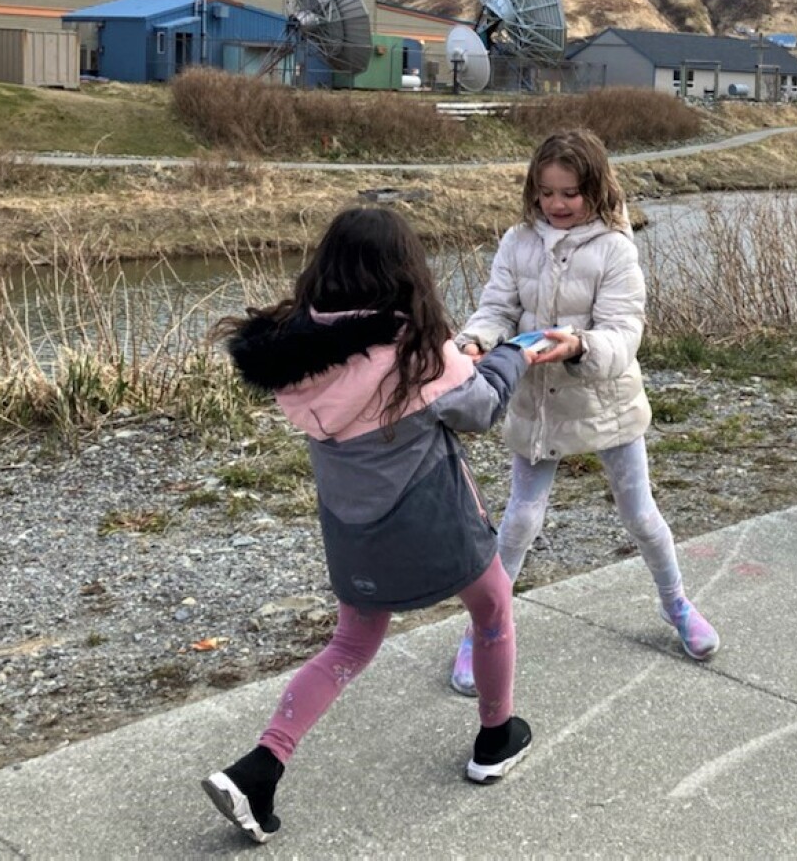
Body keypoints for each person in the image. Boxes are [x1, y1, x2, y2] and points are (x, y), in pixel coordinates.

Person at [205, 208, 536, 843]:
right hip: (437, 527)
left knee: (350, 647)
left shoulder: (299, 361)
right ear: (404, 275)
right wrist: (514, 353)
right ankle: (494, 738)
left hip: (355, 535)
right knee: (492, 607)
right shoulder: (414, 351)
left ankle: (260, 767)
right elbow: (481, 408)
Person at [448, 129, 719, 695]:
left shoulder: (617, 248)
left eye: (570, 192)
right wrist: (476, 341)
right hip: (535, 402)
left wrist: (579, 346)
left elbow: (624, 333)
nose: (557, 204)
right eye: (546, 192)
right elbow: (497, 307)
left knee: (641, 515)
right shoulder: (517, 241)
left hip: (606, 399)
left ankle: (677, 606)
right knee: (520, 519)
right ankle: (483, 632)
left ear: (595, 188)